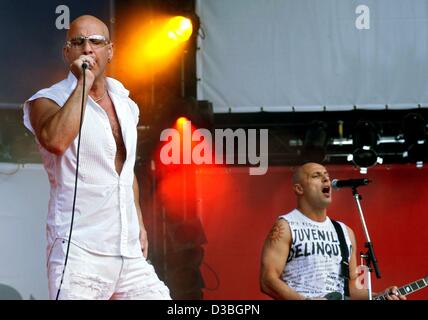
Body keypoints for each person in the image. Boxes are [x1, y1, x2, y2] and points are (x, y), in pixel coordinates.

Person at [23, 15, 171, 300]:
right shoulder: (47, 100)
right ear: (68, 53)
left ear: (110, 51)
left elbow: (124, 171)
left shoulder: (126, 103)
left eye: (96, 41)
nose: (87, 48)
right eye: (78, 42)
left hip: (127, 252)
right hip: (79, 252)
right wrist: (83, 82)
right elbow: (55, 140)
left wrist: (138, 219)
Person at [259, 162, 406, 300]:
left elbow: (349, 289)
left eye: (327, 175)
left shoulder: (345, 232)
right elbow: (267, 279)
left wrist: (378, 295)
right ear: (299, 188)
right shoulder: (286, 226)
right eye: (316, 176)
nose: (326, 179)